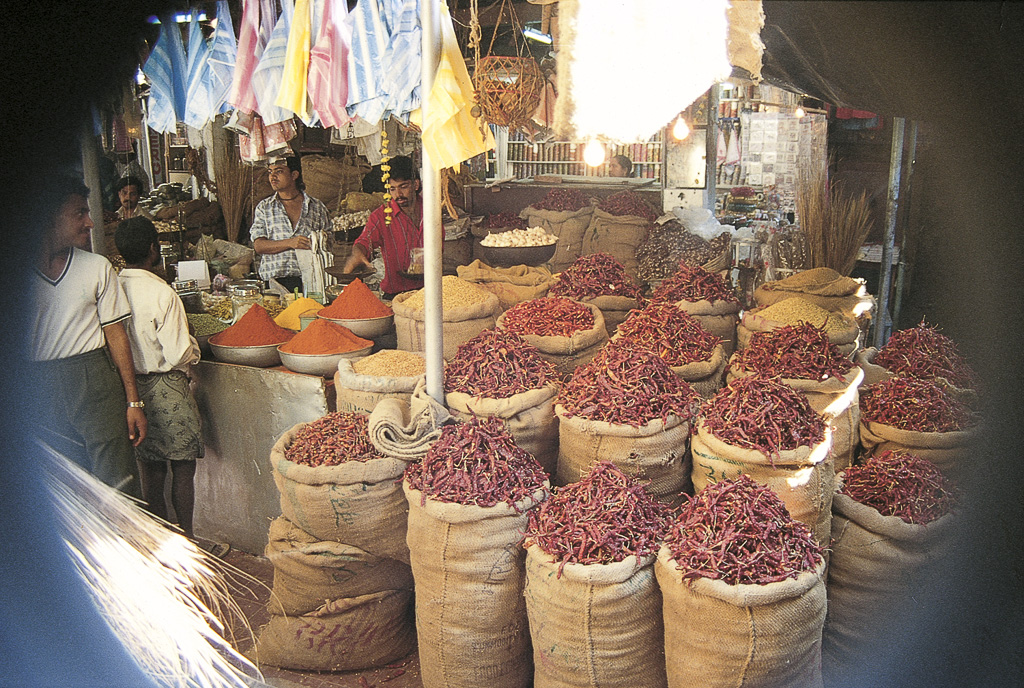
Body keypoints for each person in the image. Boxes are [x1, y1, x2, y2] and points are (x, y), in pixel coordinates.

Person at [113, 217, 225, 554]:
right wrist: (193, 344)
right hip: (168, 388)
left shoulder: (113, 286)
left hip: (133, 389)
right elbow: (178, 353)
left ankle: (161, 543)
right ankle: (188, 542)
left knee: (151, 467)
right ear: (153, 249)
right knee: (182, 465)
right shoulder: (163, 293)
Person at [29, 176, 146, 493]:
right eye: (79, 213)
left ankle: (129, 540)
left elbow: (117, 336)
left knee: (119, 481)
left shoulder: (97, 267)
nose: (90, 222)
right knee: (64, 485)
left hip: (95, 380)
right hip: (37, 386)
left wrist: (134, 401)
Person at [343, 155, 424, 298]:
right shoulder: (381, 216)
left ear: (416, 185)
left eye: (403, 187)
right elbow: (363, 241)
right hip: (395, 294)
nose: (398, 194)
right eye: (392, 189)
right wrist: (357, 253)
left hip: (428, 290)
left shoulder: (430, 210)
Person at [249, 155, 331, 293]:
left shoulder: (316, 207)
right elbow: (259, 246)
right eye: (270, 172)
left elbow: (328, 245)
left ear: (294, 175)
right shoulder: (265, 207)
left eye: (279, 171)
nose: (272, 177)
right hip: (274, 284)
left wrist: (317, 242)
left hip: (310, 283)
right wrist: (290, 243)